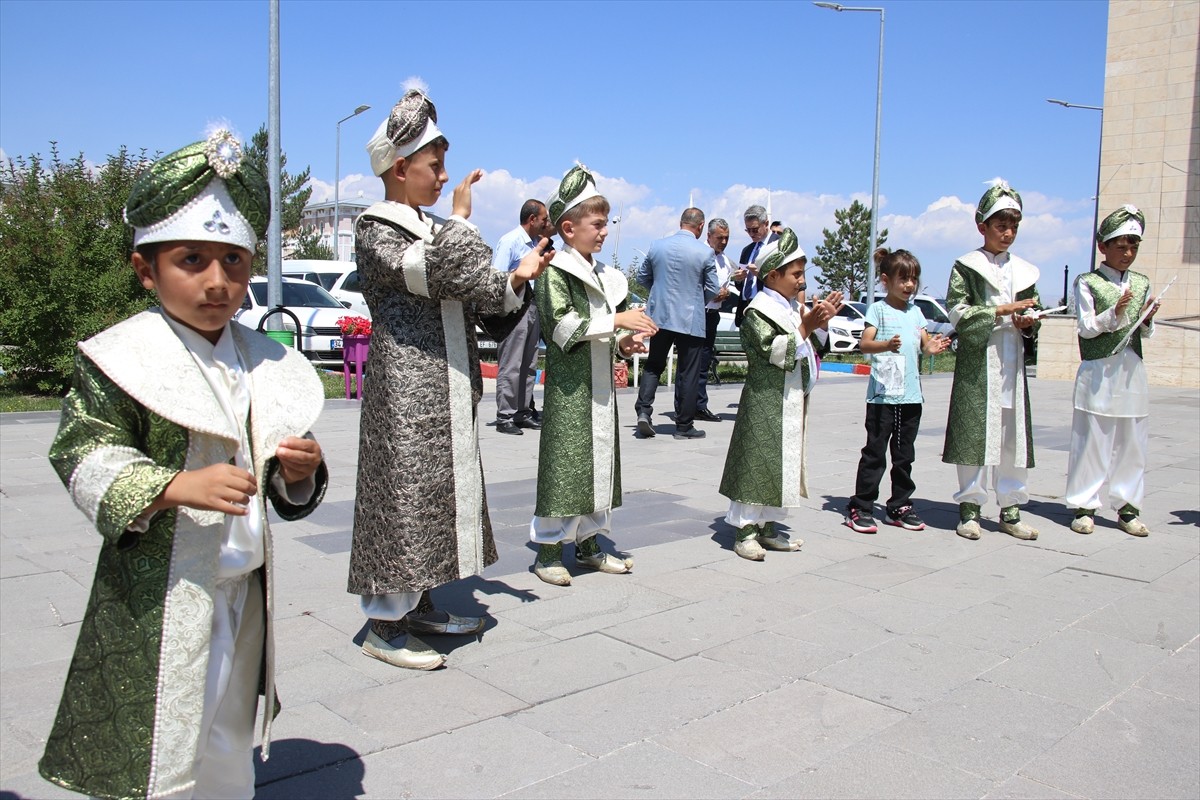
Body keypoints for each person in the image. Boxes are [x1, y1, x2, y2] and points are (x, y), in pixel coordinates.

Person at [40, 129, 329, 800]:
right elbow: (82, 449)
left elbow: (292, 469)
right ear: (147, 270)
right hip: (163, 592)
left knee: (228, 736)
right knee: (161, 739)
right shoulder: (120, 356)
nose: (217, 281)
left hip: (244, 586)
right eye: (192, 260)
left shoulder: (264, 357)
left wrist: (299, 472)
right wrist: (172, 485)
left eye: (233, 262)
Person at [348, 90, 551, 669]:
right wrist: (461, 223)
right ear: (397, 168)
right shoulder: (374, 229)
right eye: (432, 165)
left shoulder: (431, 225)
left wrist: (518, 276)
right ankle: (384, 625)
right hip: (407, 388)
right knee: (405, 498)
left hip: (447, 382)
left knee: (437, 497)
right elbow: (439, 272)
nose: (442, 176)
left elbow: (482, 292)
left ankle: (422, 604)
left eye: (441, 165)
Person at [530, 166, 657, 585]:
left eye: (605, 224)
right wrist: (617, 318)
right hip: (570, 389)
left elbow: (602, 331)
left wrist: (624, 343)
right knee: (565, 465)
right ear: (568, 228)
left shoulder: (602, 274)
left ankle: (588, 544)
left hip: (599, 389)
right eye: (597, 224)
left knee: (598, 465)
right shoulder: (553, 272)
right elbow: (563, 329)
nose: (604, 232)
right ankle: (548, 551)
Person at [719, 229, 840, 561]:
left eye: (803, 274)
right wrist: (806, 326)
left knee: (780, 461)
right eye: (796, 274)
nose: (802, 281)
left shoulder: (789, 307)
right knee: (756, 461)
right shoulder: (757, 310)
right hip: (764, 398)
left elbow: (814, 347)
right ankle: (745, 531)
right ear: (773, 275)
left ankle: (768, 526)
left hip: (790, 397)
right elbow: (771, 351)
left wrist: (821, 322)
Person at [943, 180, 1042, 541]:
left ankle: (1011, 508)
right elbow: (957, 312)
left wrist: (1027, 322)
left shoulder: (1027, 271)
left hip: (1012, 360)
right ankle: (970, 508)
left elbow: (1036, 311)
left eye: (1014, 225)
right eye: (1001, 225)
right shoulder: (966, 266)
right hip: (979, 362)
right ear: (981, 225)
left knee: (1011, 434)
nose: (1008, 232)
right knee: (974, 432)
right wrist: (1002, 310)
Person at [1065, 205, 1159, 536]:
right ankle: (1084, 505)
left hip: (1131, 369)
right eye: (1121, 246)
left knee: (1132, 439)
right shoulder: (1088, 282)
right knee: (1092, 438)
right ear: (1103, 246)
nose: (1128, 253)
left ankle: (1128, 507)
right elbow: (1086, 328)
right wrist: (1114, 313)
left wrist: (1146, 320)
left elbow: (1145, 332)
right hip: (1098, 371)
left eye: (1133, 246)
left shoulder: (1142, 283)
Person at [845, 248, 951, 534]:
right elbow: (865, 344)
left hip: (911, 395)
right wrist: (885, 346)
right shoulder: (877, 309)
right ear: (885, 280)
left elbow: (924, 344)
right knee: (875, 452)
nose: (909, 285)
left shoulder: (916, 313)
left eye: (913, 279)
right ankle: (861, 505)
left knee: (904, 455)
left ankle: (899, 505)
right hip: (883, 394)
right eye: (903, 279)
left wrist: (932, 348)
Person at [633, 208, 720, 439]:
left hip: (659, 316)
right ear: (700, 226)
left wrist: (659, 294)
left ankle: (643, 411)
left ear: (680, 223)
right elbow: (712, 287)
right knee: (688, 371)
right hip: (690, 319)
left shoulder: (656, 246)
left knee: (654, 364)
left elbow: (642, 277)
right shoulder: (705, 253)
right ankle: (683, 426)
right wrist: (695, 299)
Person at [492, 199, 555, 435]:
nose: (546, 223)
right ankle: (505, 416)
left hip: (534, 306)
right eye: (544, 219)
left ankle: (522, 412)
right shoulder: (511, 241)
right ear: (532, 220)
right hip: (514, 308)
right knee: (512, 364)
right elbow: (497, 277)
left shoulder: (539, 243)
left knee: (529, 363)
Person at [696, 218, 735, 420]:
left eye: (727, 237)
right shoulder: (699, 254)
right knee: (690, 362)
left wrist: (725, 293)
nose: (724, 241)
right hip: (697, 313)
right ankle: (685, 407)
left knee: (704, 361)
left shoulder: (724, 261)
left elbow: (726, 283)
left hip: (713, 315)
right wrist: (711, 294)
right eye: (720, 237)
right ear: (709, 236)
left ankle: (699, 406)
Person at [732, 204, 777, 326]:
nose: (751, 234)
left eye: (755, 229)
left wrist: (760, 274)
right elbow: (740, 286)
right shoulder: (747, 250)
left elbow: (783, 280)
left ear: (766, 224)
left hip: (767, 309)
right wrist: (739, 279)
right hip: (746, 308)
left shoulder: (778, 245)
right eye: (748, 230)